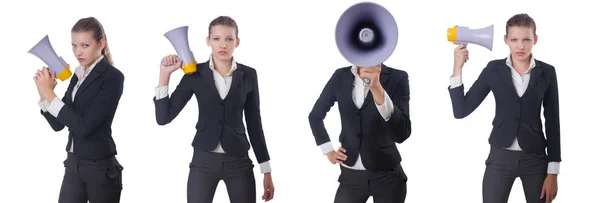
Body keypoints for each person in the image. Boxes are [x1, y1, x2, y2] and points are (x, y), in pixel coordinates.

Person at [153, 16, 275, 203]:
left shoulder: (249, 75)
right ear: (208, 41)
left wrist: (266, 170)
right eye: (216, 39)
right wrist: (164, 75)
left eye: (229, 39)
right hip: (203, 162)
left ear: (237, 42)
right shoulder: (194, 74)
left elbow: (254, 124)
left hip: (238, 161)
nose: (223, 45)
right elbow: (163, 117)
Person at [448, 13, 560, 203]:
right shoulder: (494, 70)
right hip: (499, 158)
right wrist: (457, 68)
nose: (521, 46)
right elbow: (461, 110)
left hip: (535, 159)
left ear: (536, 40)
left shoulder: (547, 72)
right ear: (506, 40)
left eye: (526, 39)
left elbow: (553, 121)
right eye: (514, 39)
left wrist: (553, 172)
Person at [34, 17, 125, 203]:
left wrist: (50, 95)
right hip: (73, 164)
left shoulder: (113, 78)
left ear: (101, 43)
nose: (78, 52)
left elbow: (84, 127)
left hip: (100, 167)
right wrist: (44, 95)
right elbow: (58, 124)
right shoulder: (78, 74)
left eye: (84, 45)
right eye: (74, 46)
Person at [308, 60, 412, 202]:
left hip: (387, 176)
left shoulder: (397, 77)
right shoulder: (340, 76)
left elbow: (402, 134)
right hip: (350, 177)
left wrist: (377, 89)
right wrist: (328, 151)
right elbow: (315, 117)